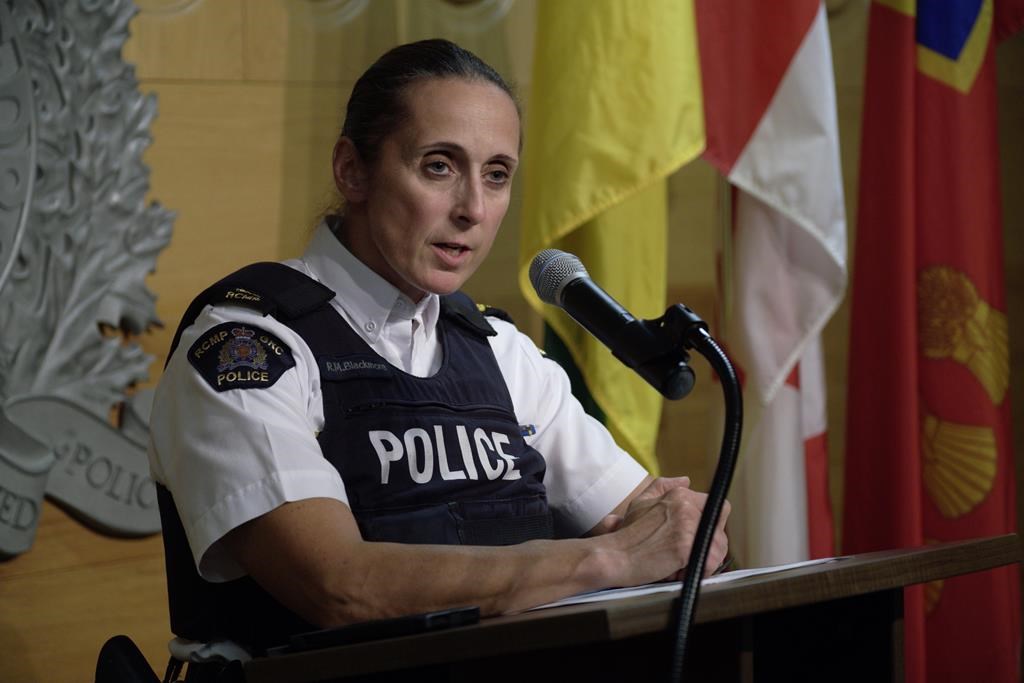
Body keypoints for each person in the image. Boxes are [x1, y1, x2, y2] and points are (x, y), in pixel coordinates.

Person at [148, 38, 730, 660]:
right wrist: (608, 556)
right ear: (352, 170)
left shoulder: (502, 351)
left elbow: (656, 519)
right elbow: (339, 586)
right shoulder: (250, 345)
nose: (473, 209)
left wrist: (685, 529)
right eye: (439, 166)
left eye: (497, 174)